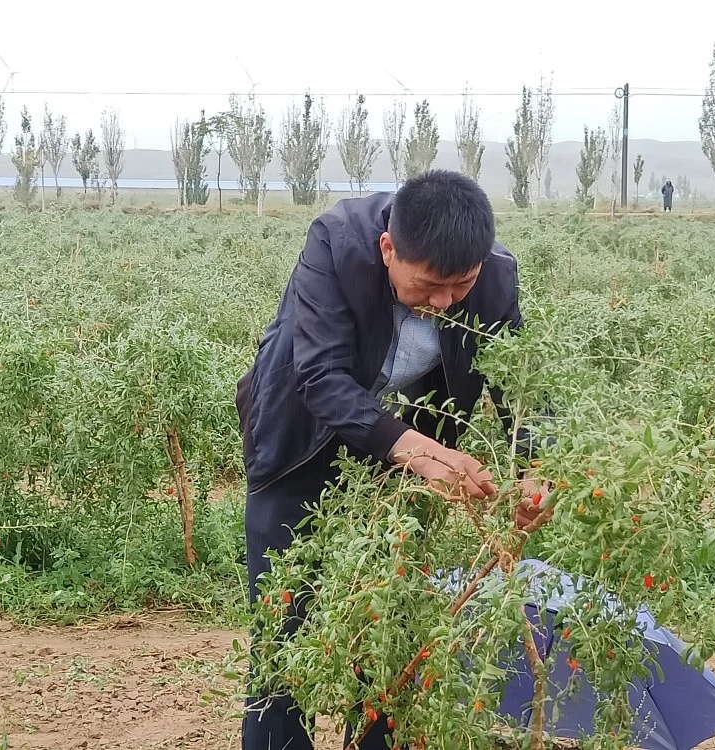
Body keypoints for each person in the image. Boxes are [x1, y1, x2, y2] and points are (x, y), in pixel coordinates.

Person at [235, 170, 549, 750]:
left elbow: (521, 380)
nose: (445, 303)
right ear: (388, 250)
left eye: (461, 286)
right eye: (428, 285)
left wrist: (536, 469)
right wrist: (427, 454)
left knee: (390, 623)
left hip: (395, 466)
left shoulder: (495, 275)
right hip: (296, 445)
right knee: (284, 631)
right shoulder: (336, 241)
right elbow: (321, 377)